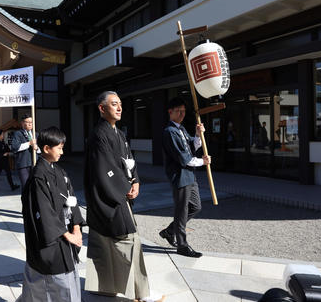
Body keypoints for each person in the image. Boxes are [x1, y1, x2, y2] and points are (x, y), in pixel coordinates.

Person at [84, 91, 163, 302]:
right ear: (102, 108)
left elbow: (129, 160)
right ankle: (140, 293)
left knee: (105, 243)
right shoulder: (98, 135)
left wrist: (135, 180)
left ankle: (105, 287)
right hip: (109, 197)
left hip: (118, 194)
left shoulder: (118, 133)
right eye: (113, 104)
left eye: (120, 104)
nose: (119, 108)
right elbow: (105, 170)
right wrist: (123, 189)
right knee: (129, 241)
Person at [20, 126, 84, 302]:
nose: (62, 152)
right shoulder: (37, 177)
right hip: (53, 239)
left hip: (67, 234)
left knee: (69, 278)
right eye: (60, 148)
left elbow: (72, 198)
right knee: (53, 285)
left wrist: (77, 228)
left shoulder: (60, 172)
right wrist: (67, 235)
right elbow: (44, 212)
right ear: (46, 148)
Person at [159, 97, 210, 258]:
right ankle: (182, 245)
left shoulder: (181, 129)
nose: (181, 114)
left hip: (190, 175)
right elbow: (184, 159)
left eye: (183, 111)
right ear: (170, 112)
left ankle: (169, 231)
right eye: (178, 111)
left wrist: (197, 135)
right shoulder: (169, 132)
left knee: (196, 206)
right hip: (180, 176)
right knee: (182, 211)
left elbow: (191, 148)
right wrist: (202, 161)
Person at [11, 115, 37, 187]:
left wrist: (37, 148)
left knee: (34, 186)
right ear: (22, 123)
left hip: (34, 163)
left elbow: (41, 150)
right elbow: (14, 147)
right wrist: (29, 143)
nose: (30, 124)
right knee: (26, 186)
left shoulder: (35, 134)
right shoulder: (18, 134)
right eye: (27, 122)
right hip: (23, 164)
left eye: (31, 122)